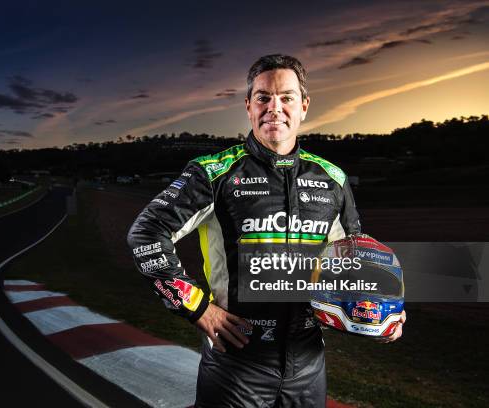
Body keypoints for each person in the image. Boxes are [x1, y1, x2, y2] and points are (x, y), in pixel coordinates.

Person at [127, 54, 405, 408]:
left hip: (308, 364)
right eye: (263, 97)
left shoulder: (333, 179)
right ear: (248, 106)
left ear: (304, 106)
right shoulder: (213, 173)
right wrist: (198, 308)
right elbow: (146, 234)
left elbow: (352, 261)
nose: (275, 108)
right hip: (235, 362)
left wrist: (380, 314)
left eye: (287, 97)